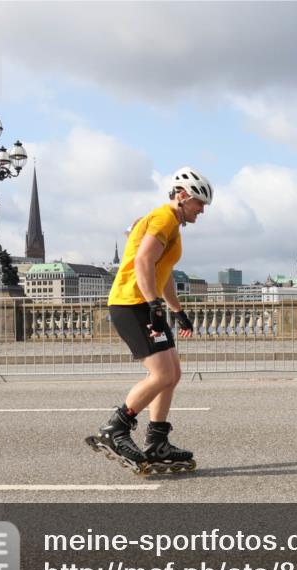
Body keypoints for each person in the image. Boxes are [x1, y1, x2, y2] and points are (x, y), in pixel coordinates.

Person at [86, 167, 213, 474]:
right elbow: (143, 261)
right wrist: (154, 305)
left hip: (143, 303)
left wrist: (176, 309)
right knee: (160, 375)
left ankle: (157, 441)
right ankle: (115, 429)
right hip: (131, 304)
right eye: (199, 203)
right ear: (182, 197)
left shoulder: (172, 224)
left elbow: (162, 272)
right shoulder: (163, 218)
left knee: (173, 373)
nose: (202, 210)